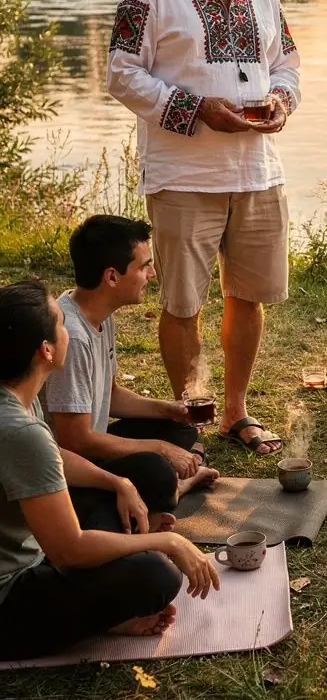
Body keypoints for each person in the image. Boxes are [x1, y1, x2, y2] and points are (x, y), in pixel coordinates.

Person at [107, 0, 301, 458]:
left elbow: (288, 62)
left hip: (258, 172)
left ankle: (235, 412)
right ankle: (191, 409)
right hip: (183, 175)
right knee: (183, 303)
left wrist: (280, 101)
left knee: (250, 296)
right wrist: (195, 108)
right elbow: (120, 73)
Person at [0, 281, 219, 662]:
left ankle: (99, 610)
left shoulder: (16, 396)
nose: (69, 327)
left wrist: (116, 481)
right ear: (45, 349)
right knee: (157, 575)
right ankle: (99, 618)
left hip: (33, 552)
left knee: (115, 498)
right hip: (8, 602)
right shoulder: (19, 429)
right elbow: (69, 551)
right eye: (60, 323)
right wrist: (167, 542)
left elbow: (53, 459)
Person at [45, 215, 218, 524]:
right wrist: (160, 449)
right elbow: (75, 441)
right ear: (112, 277)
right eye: (143, 266)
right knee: (157, 469)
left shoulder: (99, 313)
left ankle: (173, 483)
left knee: (181, 426)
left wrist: (168, 410)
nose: (152, 274)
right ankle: (173, 488)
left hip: (92, 444)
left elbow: (109, 395)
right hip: (71, 468)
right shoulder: (72, 337)